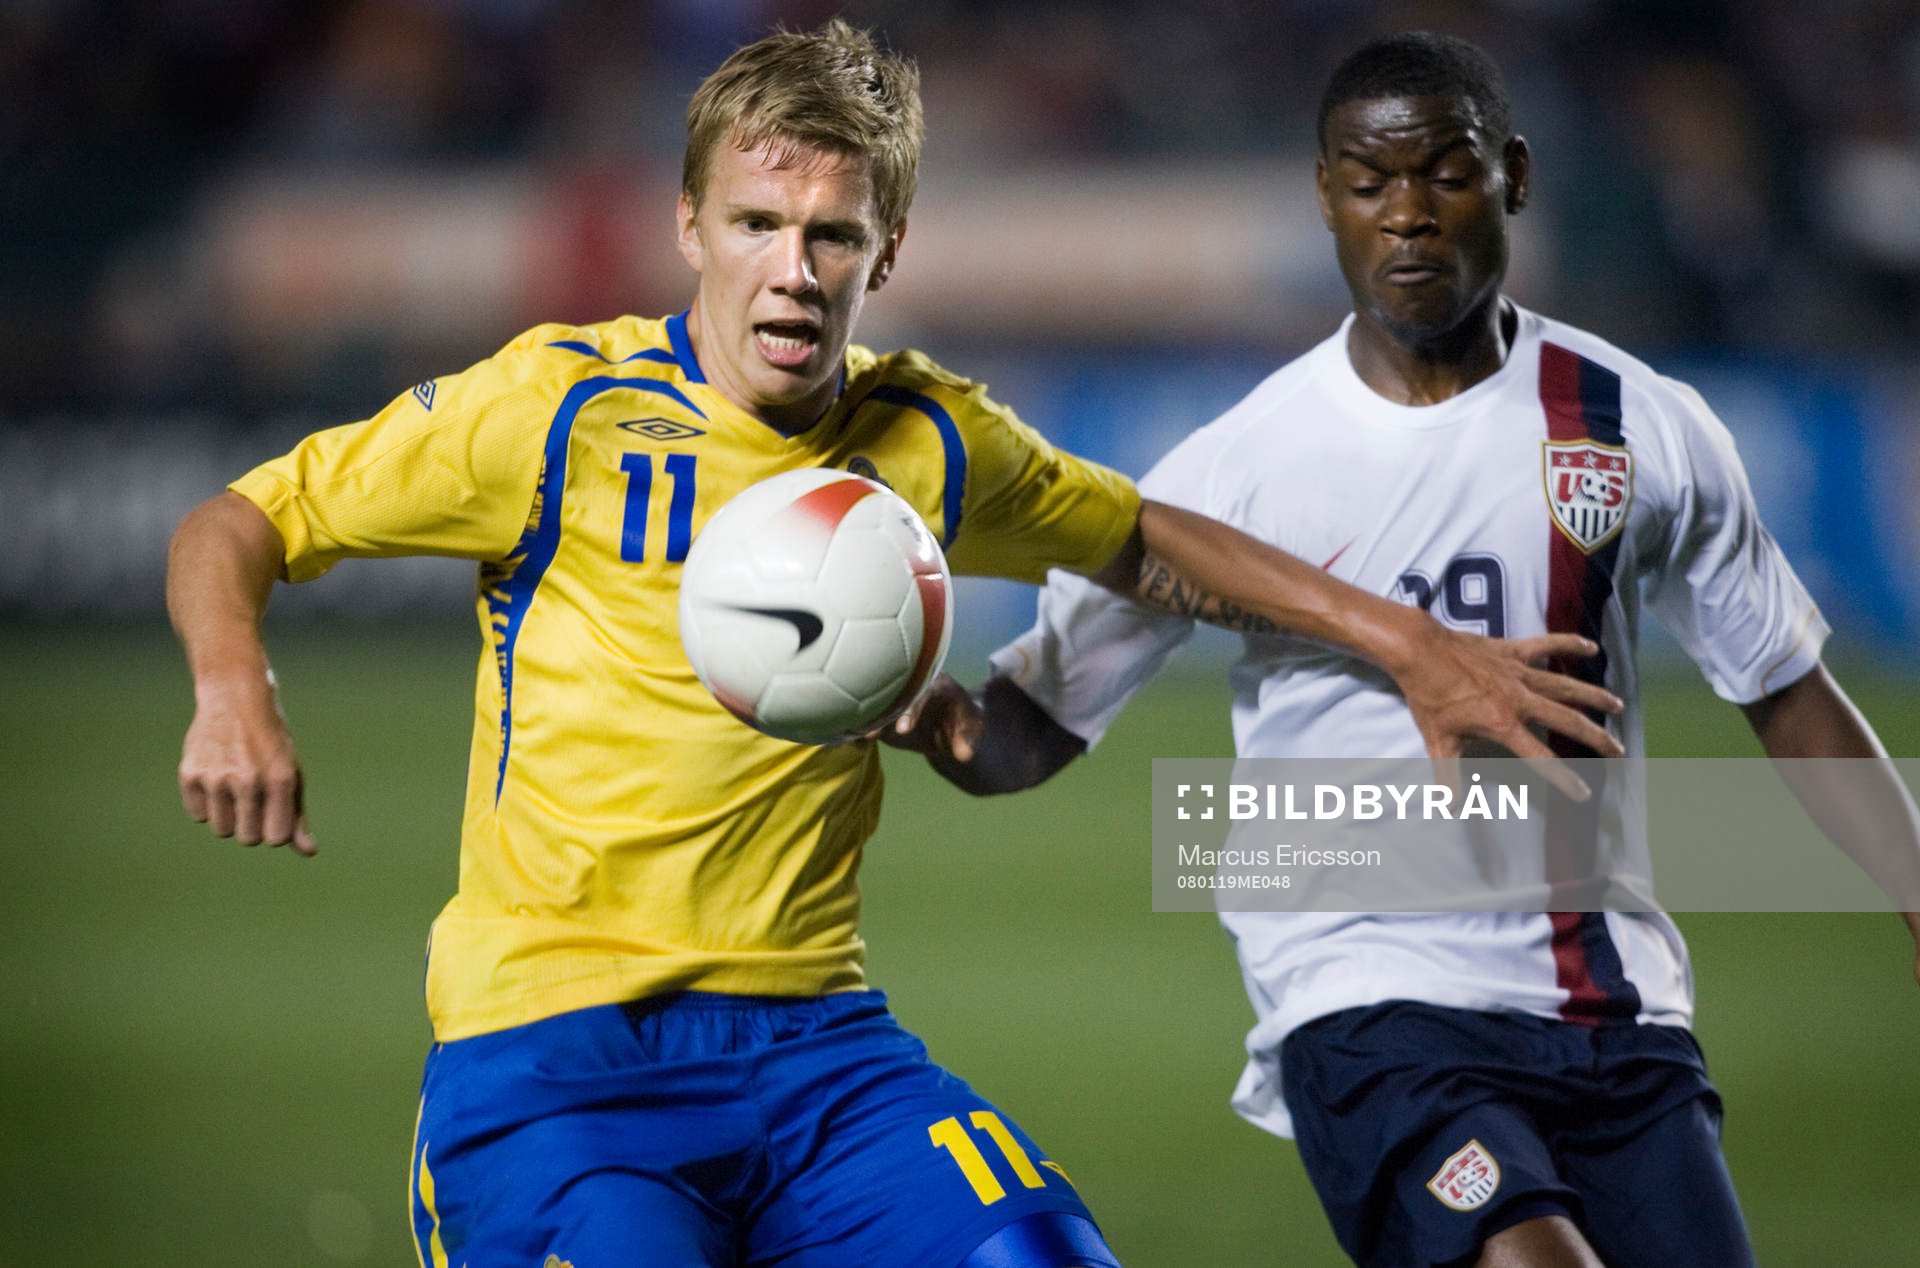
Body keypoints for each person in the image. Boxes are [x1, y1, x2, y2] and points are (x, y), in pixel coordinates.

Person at [167, 22, 1618, 1268]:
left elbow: (1152, 541)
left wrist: (1411, 647)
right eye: (755, 225)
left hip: (818, 1051)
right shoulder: (553, 415)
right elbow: (237, 523)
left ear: (888, 250)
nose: (791, 272)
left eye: (833, 236)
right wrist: (237, 690)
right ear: (690, 228)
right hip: (555, 1066)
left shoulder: (924, 434)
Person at [896, 31, 1920, 1268]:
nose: (1409, 217)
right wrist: (923, 707)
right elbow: (1030, 731)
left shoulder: (1639, 424)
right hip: (1373, 1006)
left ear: (1516, 177)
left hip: (1617, 1006)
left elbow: (1787, 692)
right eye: (1371, 184)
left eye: (1444, 174)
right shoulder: (1238, 467)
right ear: (1325, 196)